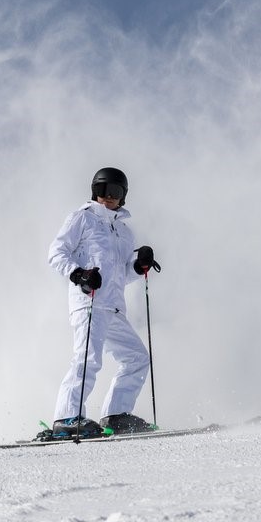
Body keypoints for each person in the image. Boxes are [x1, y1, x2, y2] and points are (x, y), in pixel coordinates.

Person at [47, 167, 162, 438]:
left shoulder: (124, 231)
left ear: (123, 197)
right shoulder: (81, 219)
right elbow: (56, 253)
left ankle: (117, 414)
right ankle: (66, 417)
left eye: (116, 192)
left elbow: (122, 274)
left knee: (137, 357)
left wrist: (139, 265)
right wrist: (79, 274)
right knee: (88, 358)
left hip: (113, 306)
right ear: (94, 192)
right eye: (103, 191)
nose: (108, 197)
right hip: (89, 301)